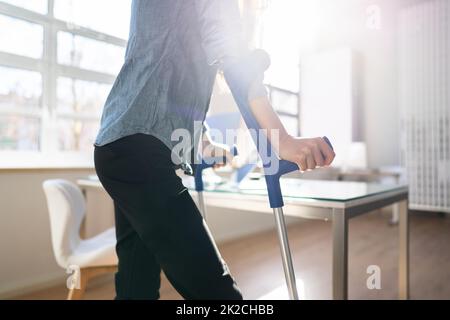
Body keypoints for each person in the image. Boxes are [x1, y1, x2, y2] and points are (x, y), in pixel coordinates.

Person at [94, 0, 335, 300]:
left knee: (136, 288)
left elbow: (164, 77)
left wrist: (203, 143)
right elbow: (234, 63)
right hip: (138, 153)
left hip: (118, 147)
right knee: (218, 295)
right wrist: (282, 139)